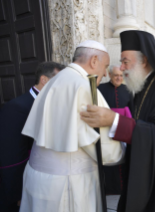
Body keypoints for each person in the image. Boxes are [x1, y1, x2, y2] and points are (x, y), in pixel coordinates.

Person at [80, 30, 155, 212]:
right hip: (146, 173)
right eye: (121, 62)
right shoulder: (140, 87)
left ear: (144, 60)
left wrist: (114, 120)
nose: (121, 67)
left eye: (125, 61)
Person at [19, 40, 126, 212]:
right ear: (93, 61)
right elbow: (106, 151)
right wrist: (125, 148)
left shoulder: (53, 81)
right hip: (67, 186)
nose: (105, 74)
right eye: (105, 66)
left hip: (37, 179)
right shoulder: (84, 86)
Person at [0, 62, 64, 212]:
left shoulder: (53, 103)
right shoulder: (17, 107)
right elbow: (11, 157)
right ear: (44, 80)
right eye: (59, 79)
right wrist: (18, 193)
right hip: (21, 188)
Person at [98, 65, 133, 195]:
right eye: (115, 75)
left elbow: (132, 110)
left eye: (120, 75)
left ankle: (123, 188)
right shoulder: (100, 89)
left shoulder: (128, 89)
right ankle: (110, 188)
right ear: (109, 75)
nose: (118, 78)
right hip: (106, 129)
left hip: (124, 129)